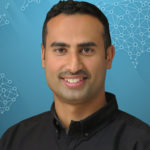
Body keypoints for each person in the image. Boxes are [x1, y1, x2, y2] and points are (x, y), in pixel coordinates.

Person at [0, 0, 150, 149]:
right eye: (60, 50)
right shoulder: (13, 141)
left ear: (109, 56)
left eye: (86, 50)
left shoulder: (142, 143)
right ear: (43, 56)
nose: (73, 66)